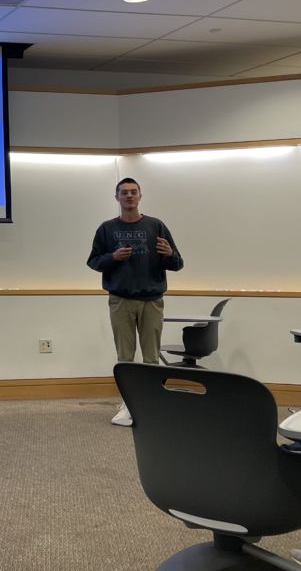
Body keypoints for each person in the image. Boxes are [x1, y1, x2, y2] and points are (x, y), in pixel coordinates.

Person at [87, 178, 183, 427]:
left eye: (133, 192)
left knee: (151, 357)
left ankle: (151, 404)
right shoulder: (107, 229)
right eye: (124, 193)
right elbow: (94, 262)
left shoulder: (156, 226)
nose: (129, 196)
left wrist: (170, 255)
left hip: (151, 300)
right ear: (116, 197)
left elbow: (178, 263)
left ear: (140, 196)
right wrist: (113, 257)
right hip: (120, 300)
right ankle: (127, 405)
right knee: (125, 357)